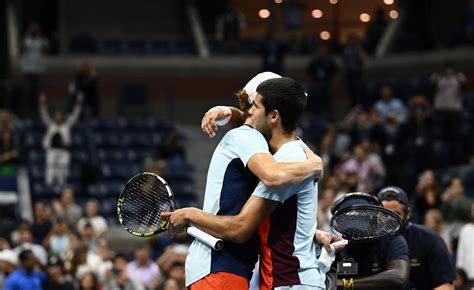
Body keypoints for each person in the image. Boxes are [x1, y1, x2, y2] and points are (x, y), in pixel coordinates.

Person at [163, 77, 328, 289]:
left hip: (266, 276)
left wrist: (190, 214)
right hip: (223, 266)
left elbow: (245, 222)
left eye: (255, 107)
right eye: (251, 106)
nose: (249, 114)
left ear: (274, 115)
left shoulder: (285, 159)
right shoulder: (275, 151)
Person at [378, 186, 455, 290]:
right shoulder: (365, 242)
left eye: (396, 214)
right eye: (384, 214)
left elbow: (447, 286)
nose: (390, 220)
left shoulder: (429, 239)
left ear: (408, 213)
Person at [331, 192, 410, 290]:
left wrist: (345, 284)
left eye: (363, 219)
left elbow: (399, 277)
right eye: (351, 219)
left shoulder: (392, 239)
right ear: (337, 225)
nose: (357, 224)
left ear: (375, 220)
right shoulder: (332, 245)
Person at [39, 92, 83, 186]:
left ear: (62, 117)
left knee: (62, 171)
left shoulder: (66, 126)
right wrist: (42, 104)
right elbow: (44, 116)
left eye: (60, 115)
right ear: (55, 117)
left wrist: (78, 104)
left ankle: (62, 186)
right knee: (50, 169)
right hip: (51, 150)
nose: (58, 117)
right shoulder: (51, 125)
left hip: (64, 151)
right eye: (57, 115)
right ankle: (48, 186)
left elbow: (74, 116)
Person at [456, 202, 474, 282]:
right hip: (468, 276)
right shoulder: (465, 229)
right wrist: (459, 273)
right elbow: (461, 253)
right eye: (473, 210)